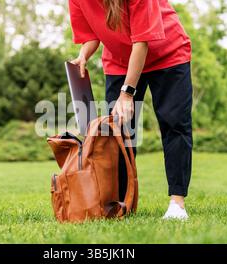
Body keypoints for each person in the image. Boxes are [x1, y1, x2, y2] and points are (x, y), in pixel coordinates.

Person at [69, 0, 193, 220]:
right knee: (117, 132)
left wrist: (127, 93)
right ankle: (122, 203)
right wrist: (83, 55)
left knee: (174, 123)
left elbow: (142, 41)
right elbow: (91, 35)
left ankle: (177, 203)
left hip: (167, 54)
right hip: (119, 61)